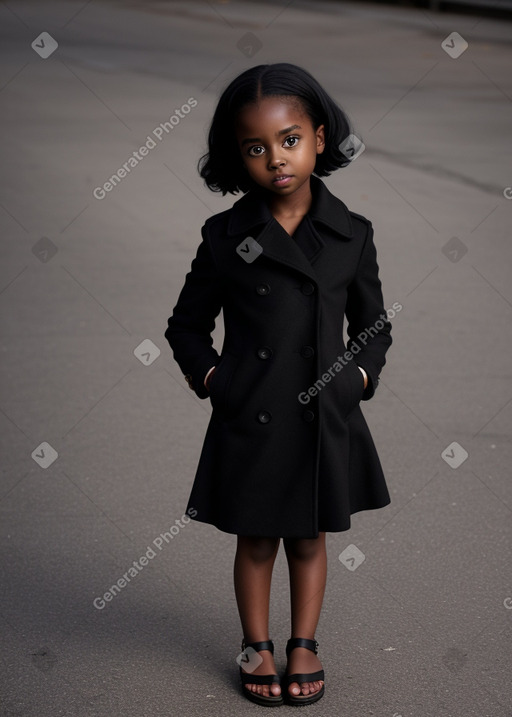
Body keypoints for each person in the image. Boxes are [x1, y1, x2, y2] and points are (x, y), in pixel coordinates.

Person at [164, 62, 393, 707]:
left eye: (290, 140)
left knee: (309, 536)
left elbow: (374, 326)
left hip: (325, 413)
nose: (276, 159)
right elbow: (185, 325)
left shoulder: (352, 235)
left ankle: (304, 643)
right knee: (257, 537)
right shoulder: (224, 236)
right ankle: (256, 645)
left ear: (320, 138)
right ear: (238, 156)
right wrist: (216, 380)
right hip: (254, 411)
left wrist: (355, 381)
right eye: (255, 147)